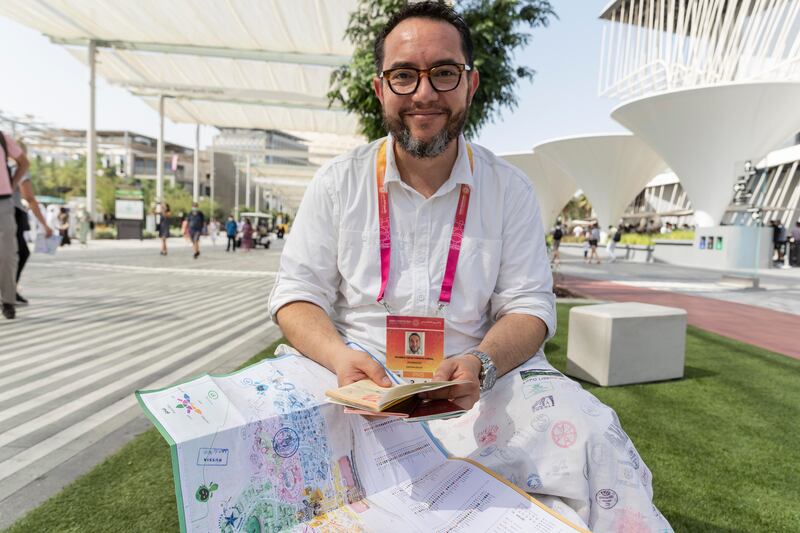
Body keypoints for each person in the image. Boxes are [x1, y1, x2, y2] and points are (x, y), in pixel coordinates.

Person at [268, 3, 670, 531]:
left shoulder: (509, 190)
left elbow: (529, 306)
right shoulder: (338, 182)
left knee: (592, 427)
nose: (425, 93)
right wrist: (340, 358)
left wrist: (481, 364)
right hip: (358, 380)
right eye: (404, 75)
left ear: (470, 83)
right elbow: (296, 295)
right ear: (380, 90)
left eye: (444, 72)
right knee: (272, 437)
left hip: (477, 384)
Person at [11, 141, 52, 305]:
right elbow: (29, 198)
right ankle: (9, 290)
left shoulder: (5, 168)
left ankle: (9, 288)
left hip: (8, 213)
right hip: (13, 213)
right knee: (21, 253)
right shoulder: (21, 170)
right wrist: (45, 225)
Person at [0, 130, 28, 319]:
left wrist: (12, 182)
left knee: (8, 254)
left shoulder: (2, 138)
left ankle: (8, 300)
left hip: (3, 201)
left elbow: (24, 162)